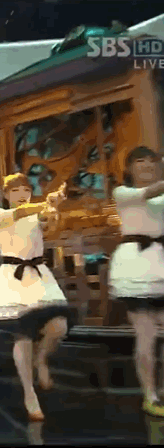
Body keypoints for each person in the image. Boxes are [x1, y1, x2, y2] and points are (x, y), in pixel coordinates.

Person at [0, 174, 71, 421]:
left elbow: (48, 223)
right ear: (6, 194)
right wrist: (46, 202)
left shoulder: (37, 214)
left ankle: (41, 359)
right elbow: (22, 212)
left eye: (26, 189)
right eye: (16, 190)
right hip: (13, 278)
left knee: (59, 326)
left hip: (39, 276)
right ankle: (29, 393)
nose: (22, 194)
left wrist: (53, 208)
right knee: (23, 336)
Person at [109, 146, 164, 417]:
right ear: (130, 168)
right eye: (140, 161)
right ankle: (150, 396)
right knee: (146, 335)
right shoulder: (123, 192)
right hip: (135, 268)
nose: (147, 165)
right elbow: (150, 193)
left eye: (152, 161)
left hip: (161, 261)